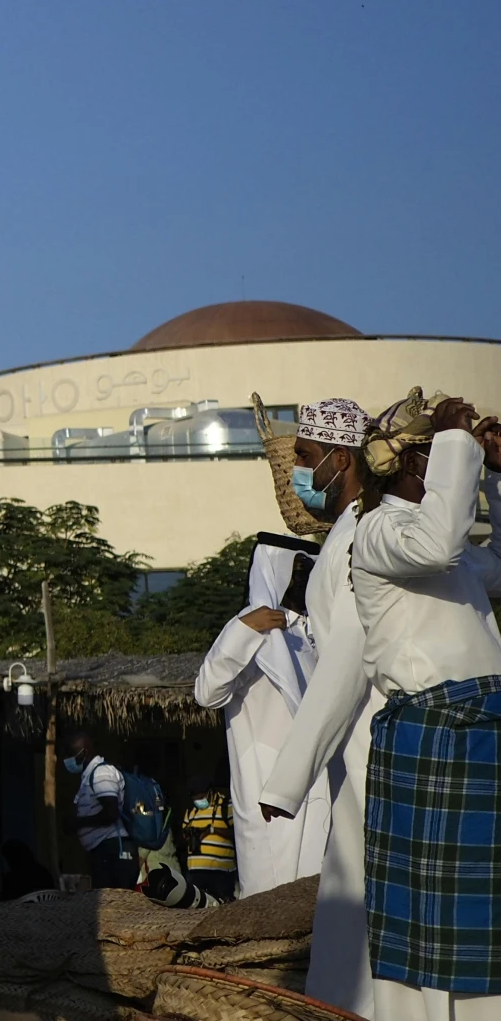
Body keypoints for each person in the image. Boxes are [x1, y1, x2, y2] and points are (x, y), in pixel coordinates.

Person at [344, 393, 501, 1021]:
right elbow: (437, 544)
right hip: (437, 737)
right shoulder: (379, 532)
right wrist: (456, 439)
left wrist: (492, 471)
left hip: (477, 738)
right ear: (412, 464)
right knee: (430, 934)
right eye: (434, 453)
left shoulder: (450, 551)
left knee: (481, 927)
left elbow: (490, 563)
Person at [259, 396, 384, 1014]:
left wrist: (284, 781)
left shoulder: (364, 535)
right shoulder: (346, 531)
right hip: (352, 746)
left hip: (369, 740)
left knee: (362, 899)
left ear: (340, 458)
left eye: (305, 458)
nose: (297, 473)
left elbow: (346, 661)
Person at [191, 533, 327, 894]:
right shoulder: (246, 633)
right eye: (295, 569)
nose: (301, 579)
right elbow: (207, 692)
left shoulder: (314, 634)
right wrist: (247, 629)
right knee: (271, 907)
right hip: (267, 795)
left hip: (319, 791)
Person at [61, 731, 137, 889]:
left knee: (114, 906)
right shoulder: (89, 776)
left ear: (85, 752)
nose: (68, 760)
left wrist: (78, 823)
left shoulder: (101, 773)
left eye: (72, 754)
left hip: (113, 851)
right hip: (104, 851)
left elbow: (111, 813)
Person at [178, 774, 238, 903]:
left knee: (224, 909)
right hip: (196, 872)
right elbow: (183, 836)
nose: (198, 800)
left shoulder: (225, 806)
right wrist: (189, 835)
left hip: (221, 872)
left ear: (209, 792)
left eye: (200, 796)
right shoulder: (191, 811)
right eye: (194, 797)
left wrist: (212, 830)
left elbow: (237, 833)